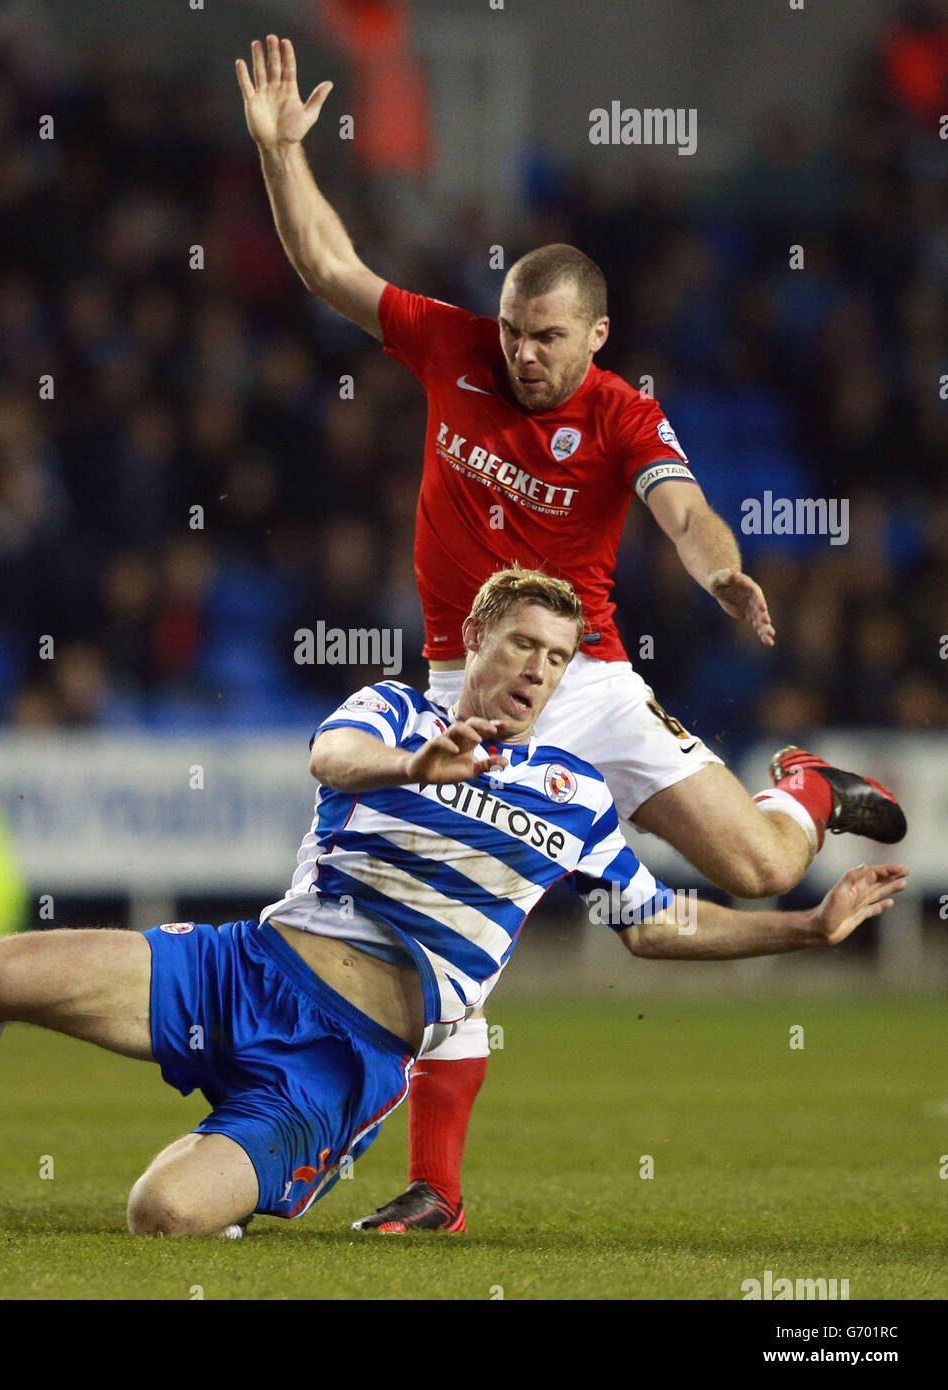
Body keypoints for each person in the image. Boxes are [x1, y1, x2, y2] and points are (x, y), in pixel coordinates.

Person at [236, 34, 908, 1232]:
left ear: (595, 337)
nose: (522, 353)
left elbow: (683, 508)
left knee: (761, 867)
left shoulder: (619, 411)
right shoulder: (452, 349)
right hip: (463, 686)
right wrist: (285, 155)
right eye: (512, 330)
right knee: (437, 915)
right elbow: (328, 265)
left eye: (546, 336)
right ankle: (434, 1191)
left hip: (586, 678)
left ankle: (802, 784)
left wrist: (722, 576)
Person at [0, 570, 908, 1237]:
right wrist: (416, 768)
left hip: (344, 1057)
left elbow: (655, 924)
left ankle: (298, 1157)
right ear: (476, 639)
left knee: (159, 1218)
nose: (534, 668)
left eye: (557, 658)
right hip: (244, 967)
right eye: (519, 642)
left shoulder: (574, 797)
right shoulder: (395, 710)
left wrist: (802, 928)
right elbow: (330, 757)